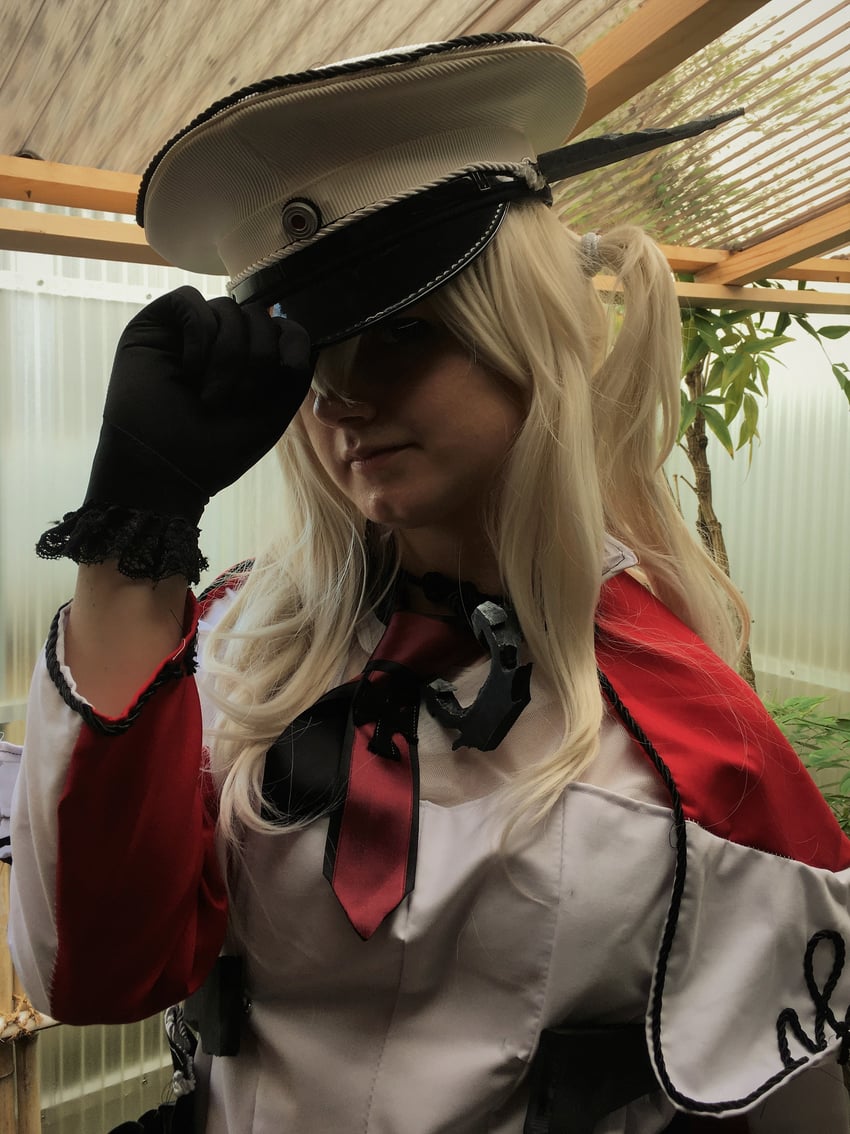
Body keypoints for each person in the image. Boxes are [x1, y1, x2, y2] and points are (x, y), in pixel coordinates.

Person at [7, 32, 850, 1134]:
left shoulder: (689, 729)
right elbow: (91, 973)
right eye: (310, 353)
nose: (340, 397)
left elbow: (789, 1092)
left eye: (403, 332)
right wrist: (133, 533)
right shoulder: (228, 652)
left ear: (527, 334)